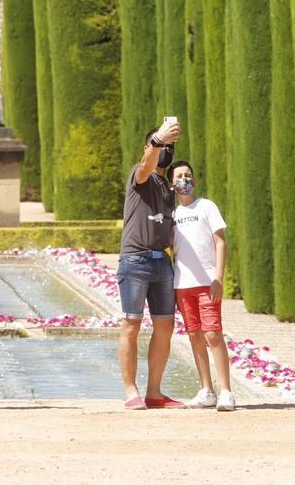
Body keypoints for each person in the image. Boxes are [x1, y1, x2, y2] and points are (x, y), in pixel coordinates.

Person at [117, 117, 182, 409]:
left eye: (170, 145)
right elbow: (146, 167)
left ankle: (154, 392)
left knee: (165, 326)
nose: (165, 149)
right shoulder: (139, 175)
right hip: (136, 259)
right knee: (131, 324)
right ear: (148, 146)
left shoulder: (168, 190)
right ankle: (131, 391)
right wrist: (158, 139)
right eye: (160, 144)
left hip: (161, 262)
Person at [169, 161, 235, 411]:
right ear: (172, 184)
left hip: (208, 284)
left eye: (188, 175)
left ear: (194, 181)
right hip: (182, 285)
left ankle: (226, 391)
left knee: (213, 334)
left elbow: (220, 242)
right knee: (195, 335)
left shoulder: (207, 207)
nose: (184, 179)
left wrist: (218, 277)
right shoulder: (172, 215)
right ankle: (207, 390)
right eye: (179, 176)